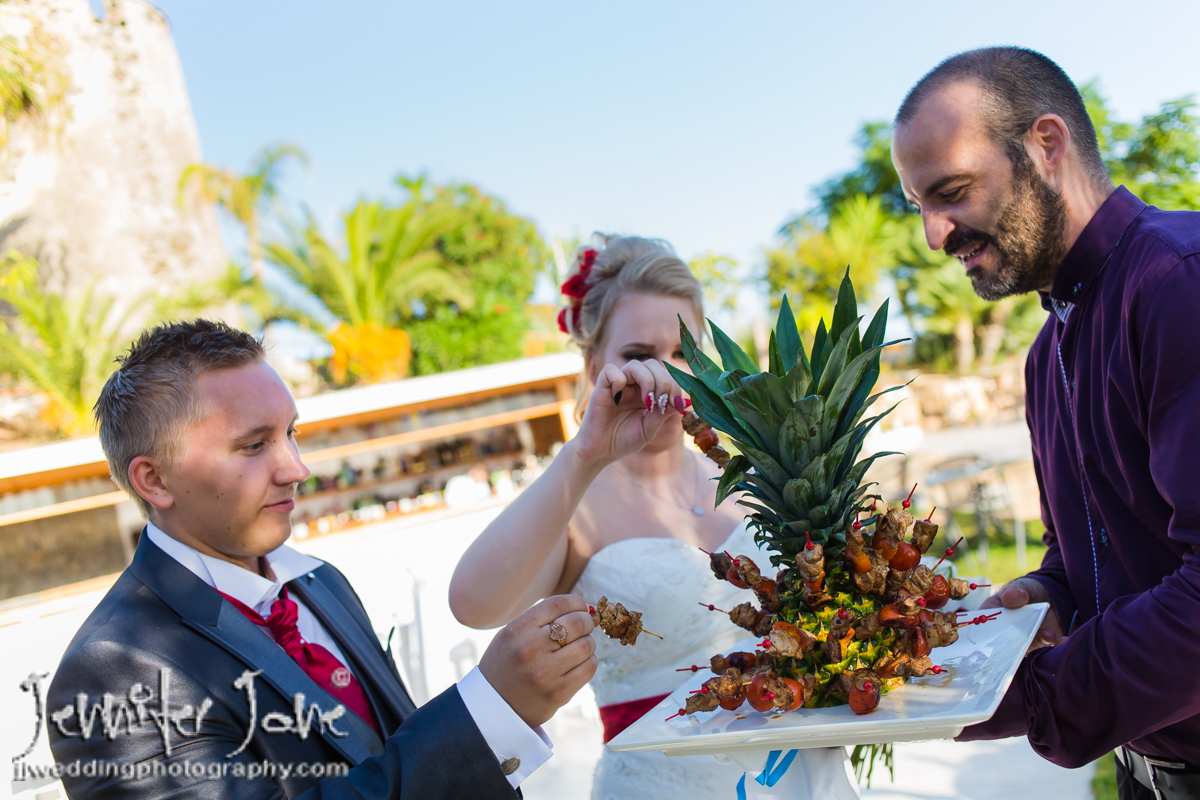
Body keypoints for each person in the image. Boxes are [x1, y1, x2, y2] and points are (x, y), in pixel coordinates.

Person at [47, 319, 597, 799]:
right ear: (155, 479)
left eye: (291, 433)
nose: (296, 468)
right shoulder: (114, 673)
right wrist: (490, 709)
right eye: (253, 445)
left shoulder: (321, 582)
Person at [891, 47, 1200, 799]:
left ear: (1046, 145)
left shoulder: (1177, 283)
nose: (935, 235)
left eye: (952, 191)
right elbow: (1088, 560)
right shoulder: (1045, 354)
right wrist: (1028, 605)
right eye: (919, 206)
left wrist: (1018, 698)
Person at [449, 237, 858, 800]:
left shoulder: (754, 480)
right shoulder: (573, 503)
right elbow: (475, 605)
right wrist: (587, 453)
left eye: (685, 352)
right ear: (596, 366)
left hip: (808, 779)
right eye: (641, 352)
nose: (668, 376)